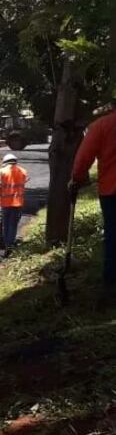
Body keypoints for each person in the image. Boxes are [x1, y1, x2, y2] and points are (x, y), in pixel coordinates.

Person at [70, 102, 116, 301]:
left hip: (112, 190)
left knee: (114, 237)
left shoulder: (102, 125)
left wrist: (76, 179)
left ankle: (111, 285)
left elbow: (83, 158)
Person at [0, 152, 28, 254]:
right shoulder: (23, 171)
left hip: (5, 204)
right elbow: (24, 182)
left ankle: (7, 244)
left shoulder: (2, 171)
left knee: (6, 225)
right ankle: (10, 245)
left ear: (5, 162)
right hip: (18, 204)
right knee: (13, 225)